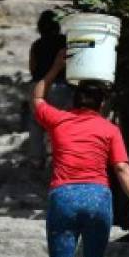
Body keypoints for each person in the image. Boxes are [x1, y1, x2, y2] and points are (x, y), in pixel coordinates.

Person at [31, 55, 129, 257]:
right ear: (102, 104)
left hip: (64, 196)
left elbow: (37, 99)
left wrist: (56, 67)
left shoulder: (58, 120)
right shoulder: (109, 129)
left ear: (74, 101)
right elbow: (121, 168)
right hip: (97, 197)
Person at [28, 10, 74, 169]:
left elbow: (32, 69)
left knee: (36, 124)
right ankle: (59, 159)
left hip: (38, 86)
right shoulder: (65, 42)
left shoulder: (36, 45)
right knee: (62, 124)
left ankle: (36, 160)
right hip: (61, 87)